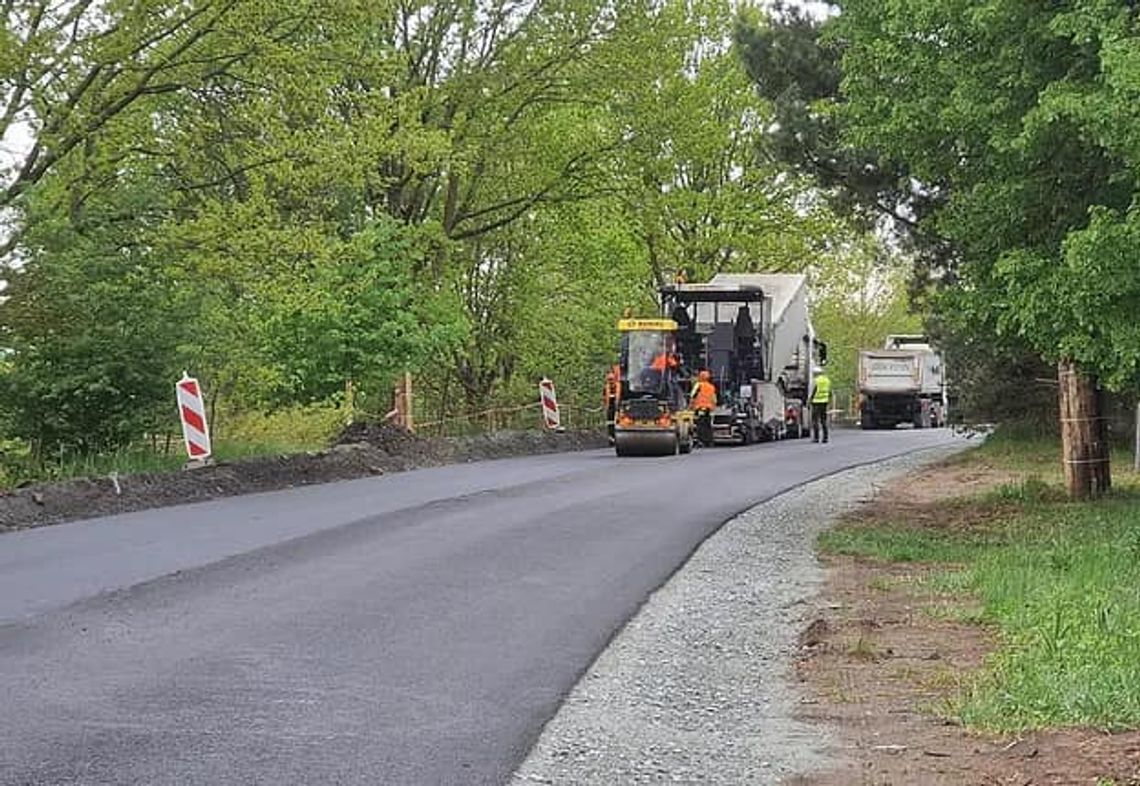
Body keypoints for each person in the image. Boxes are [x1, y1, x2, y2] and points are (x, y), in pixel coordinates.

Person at [690, 369, 717, 447]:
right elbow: (714, 399)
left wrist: (690, 406)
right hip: (709, 408)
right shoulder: (711, 387)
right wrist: (713, 407)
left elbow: (692, 395)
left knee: (700, 425)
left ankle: (701, 441)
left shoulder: (698, 385)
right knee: (708, 425)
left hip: (700, 408)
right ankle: (710, 441)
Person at [810, 366, 832, 443]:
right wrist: (829, 400)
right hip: (824, 402)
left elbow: (813, 391)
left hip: (816, 402)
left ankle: (816, 438)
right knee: (823, 420)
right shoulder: (827, 380)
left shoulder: (816, 381)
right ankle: (825, 438)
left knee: (815, 420)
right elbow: (830, 392)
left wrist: (810, 400)